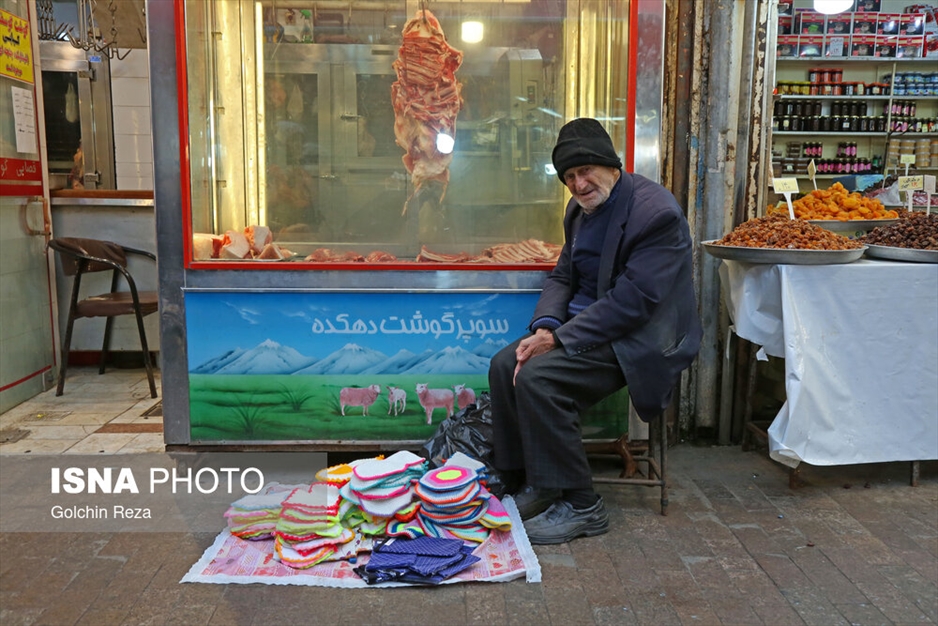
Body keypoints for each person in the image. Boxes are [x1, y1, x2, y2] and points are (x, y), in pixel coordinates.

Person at [488, 118, 701, 544]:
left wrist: (560, 338)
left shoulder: (655, 214)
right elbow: (564, 276)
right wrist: (547, 324)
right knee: (504, 364)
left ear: (611, 165)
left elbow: (635, 301)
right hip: (588, 327)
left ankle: (583, 506)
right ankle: (531, 482)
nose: (579, 184)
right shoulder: (578, 211)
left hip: (641, 337)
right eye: (568, 177)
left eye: (585, 171)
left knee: (540, 378)